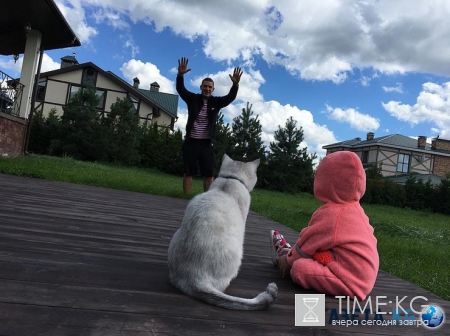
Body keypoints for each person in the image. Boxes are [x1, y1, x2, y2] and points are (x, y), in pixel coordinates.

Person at [270, 151, 379, 300]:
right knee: (317, 251)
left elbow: (306, 245)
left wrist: (288, 260)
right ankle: (291, 251)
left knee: (299, 268)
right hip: (361, 275)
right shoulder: (357, 211)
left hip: (351, 282)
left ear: (326, 183)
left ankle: (284, 254)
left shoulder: (332, 213)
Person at [176, 57, 243, 194]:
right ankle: (186, 198)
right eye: (205, 86)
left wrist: (235, 85)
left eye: (210, 87)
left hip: (207, 144)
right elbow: (181, 89)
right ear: (201, 87)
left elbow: (230, 97)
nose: (207, 89)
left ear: (213, 89)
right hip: (191, 142)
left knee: (209, 174)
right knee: (188, 172)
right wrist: (180, 75)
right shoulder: (193, 99)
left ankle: (206, 199)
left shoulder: (216, 102)